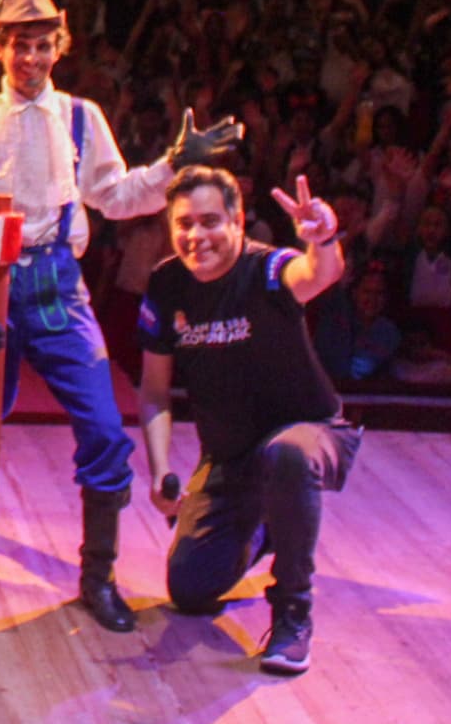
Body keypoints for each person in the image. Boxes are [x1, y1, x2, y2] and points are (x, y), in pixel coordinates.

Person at [0, 0, 241, 631]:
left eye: (44, 46)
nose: (32, 59)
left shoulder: (81, 118)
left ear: (60, 47)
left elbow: (118, 196)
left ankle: (97, 574)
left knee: (105, 429)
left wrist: (171, 166)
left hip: (57, 285)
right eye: (21, 46)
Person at [138, 169, 356, 676]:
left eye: (211, 221)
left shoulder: (266, 269)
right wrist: (158, 469)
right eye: (184, 223)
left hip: (311, 434)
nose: (197, 236)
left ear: (238, 221)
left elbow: (317, 274)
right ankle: (267, 525)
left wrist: (323, 237)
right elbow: (153, 392)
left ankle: (293, 613)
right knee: (190, 589)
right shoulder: (167, 284)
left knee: (286, 454)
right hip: (231, 460)